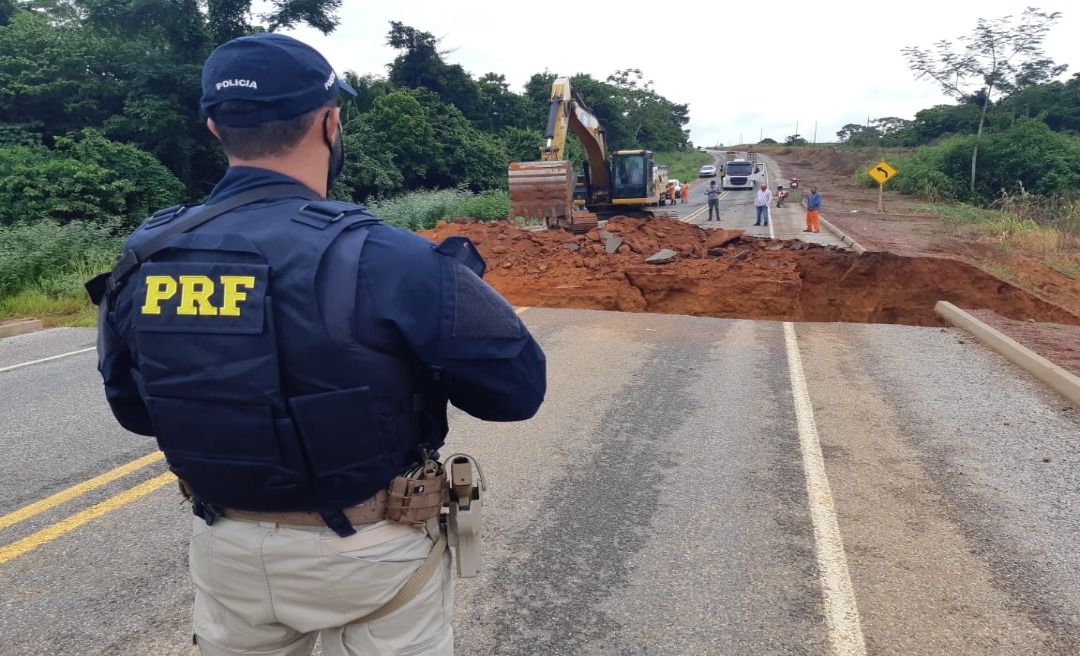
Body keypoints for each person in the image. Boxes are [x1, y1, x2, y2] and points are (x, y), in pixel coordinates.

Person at [89, 33, 546, 656]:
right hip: (372, 552)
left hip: (227, 554)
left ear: (215, 126)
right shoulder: (393, 256)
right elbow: (517, 393)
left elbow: (133, 409)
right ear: (331, 124)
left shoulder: (145, 256)